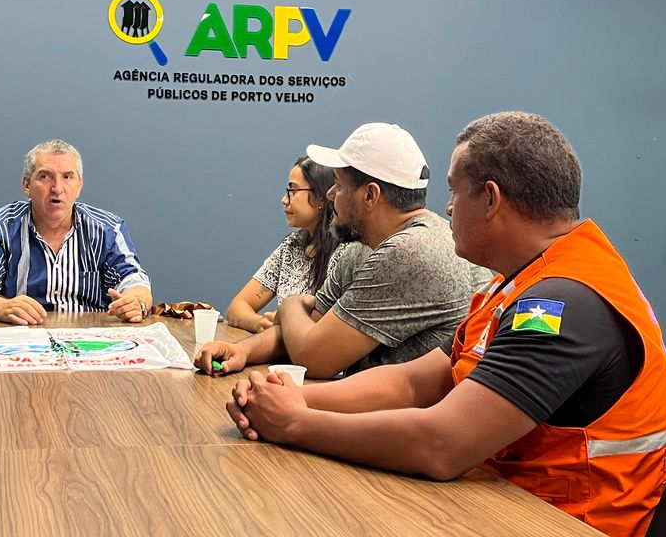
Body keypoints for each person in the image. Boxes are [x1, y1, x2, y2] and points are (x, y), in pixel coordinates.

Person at [213, 112, 666, 537]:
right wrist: (295, 398)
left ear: (491, 199)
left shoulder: (561, 304)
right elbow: (413, 382)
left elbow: (441, 444)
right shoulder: (513, 285)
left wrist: (296, 423)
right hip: (500, 512)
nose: (449, 206)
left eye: (455, 191)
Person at [198, 122, 480, 382]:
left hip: (397, 417)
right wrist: (244, 350)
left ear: (370, 195)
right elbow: (311, 327)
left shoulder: (410, 250)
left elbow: (314, 358)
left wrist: (290, 305)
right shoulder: (360, 249)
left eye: (339, 185)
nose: (331, 195)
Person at [0, 140, 152, 324]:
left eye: (67, 177)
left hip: (89, 339)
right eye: (45, 176)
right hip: (20, 337)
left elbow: (134, 280)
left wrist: (137, 302)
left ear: (79, 186)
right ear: (26, 185)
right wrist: (1, 307)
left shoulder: (107, 230)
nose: (57, 188)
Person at [225, 154, 347, 332]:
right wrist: (260, 324)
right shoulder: (291, 246)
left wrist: (283, 327)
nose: (284, 200)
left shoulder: (345, 255)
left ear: (321, 197)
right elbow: (237, 307)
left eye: (293, 191)